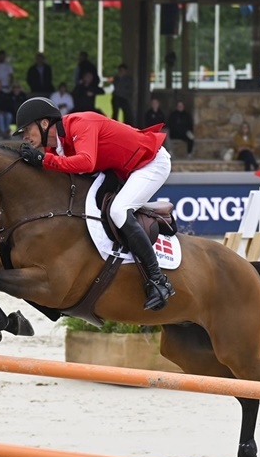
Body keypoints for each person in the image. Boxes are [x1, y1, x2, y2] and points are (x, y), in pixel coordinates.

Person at [14, 97, 174, 311]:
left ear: (44, 123)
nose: (25, 136)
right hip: (118, 169)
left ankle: (158, 280)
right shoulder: (54, 148)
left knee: (118, 210)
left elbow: (86, 162)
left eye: (27, 129)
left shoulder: (81, 124)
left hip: (150, 163)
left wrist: (43, 160)